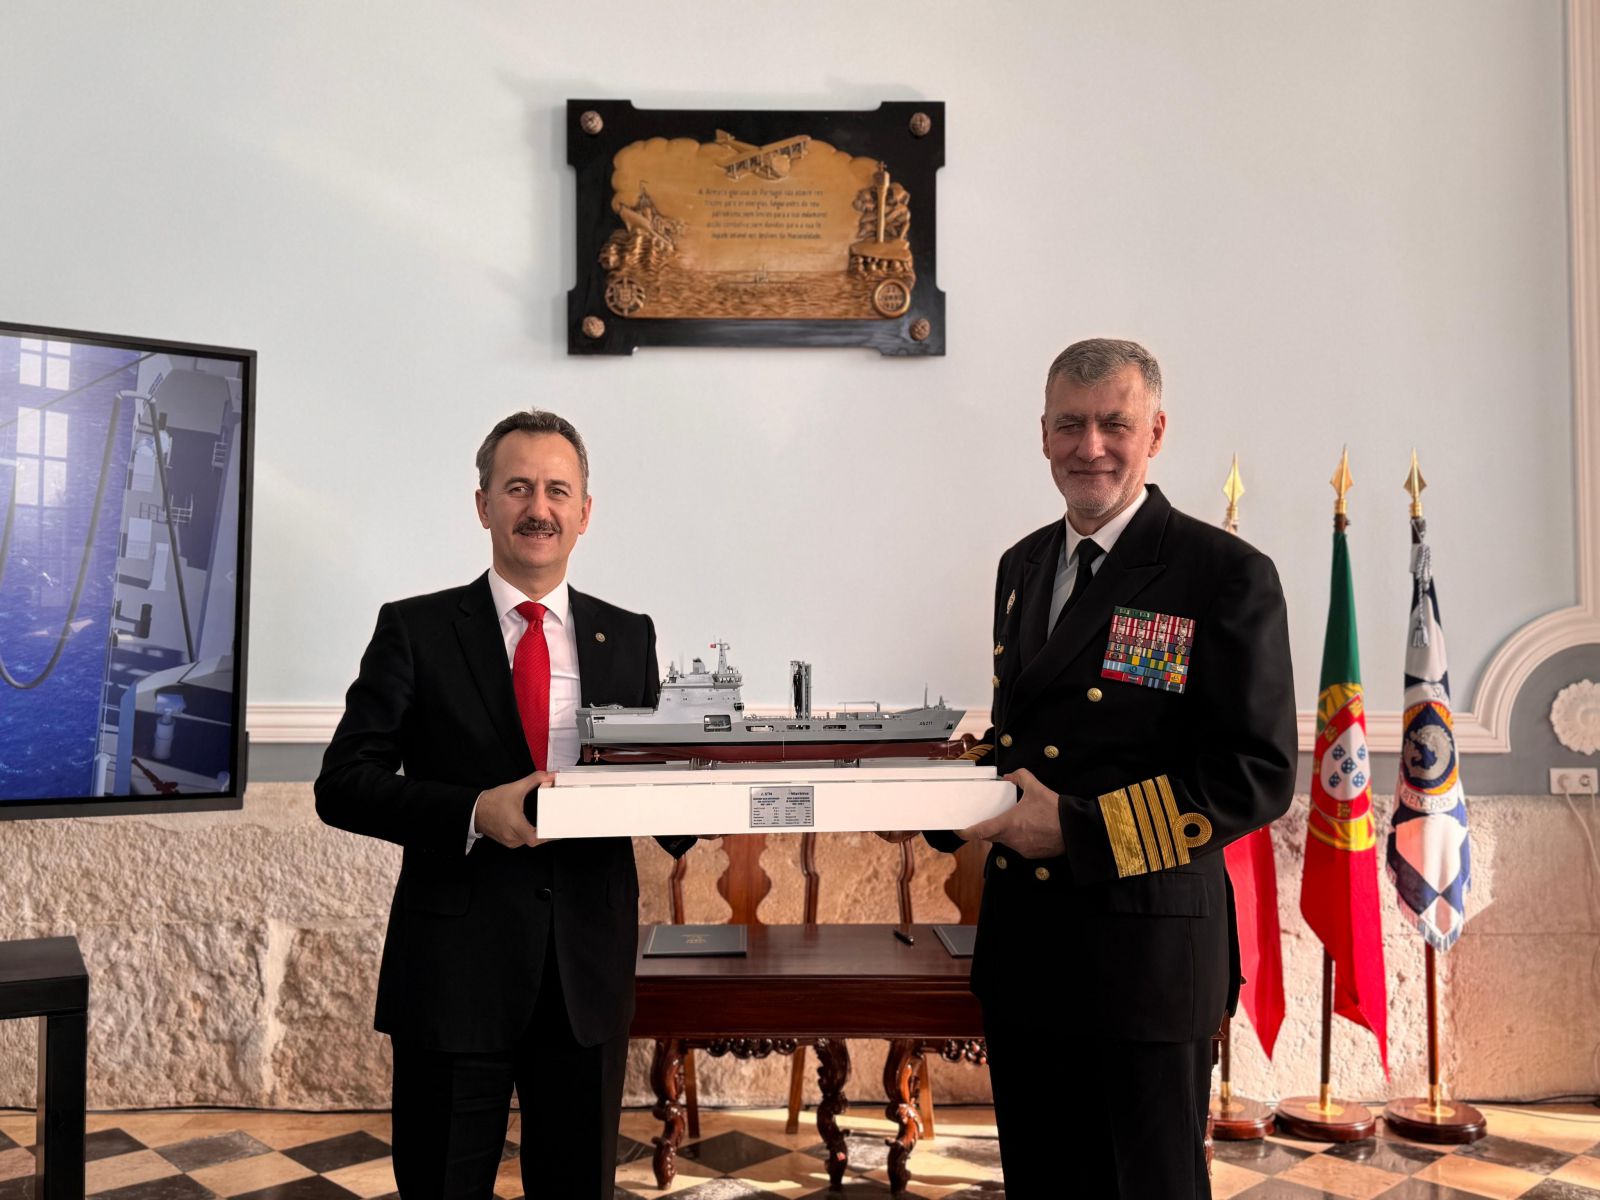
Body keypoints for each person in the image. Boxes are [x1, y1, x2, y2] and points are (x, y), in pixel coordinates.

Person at [892, 339, 1296, 1196]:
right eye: (1070, 425)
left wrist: (1078, 830)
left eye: (1115, 423)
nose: (1091, 447)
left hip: (1146, 958)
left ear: (1157, 432)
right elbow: (1026, 743)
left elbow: (1254, 774)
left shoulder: (1222, 574)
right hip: (1028, 952)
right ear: (1042, 433)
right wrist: (937, 797)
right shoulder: (1023, 565)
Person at [315, 410, 693, 1198]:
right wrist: (473, 811)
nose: (538, 508)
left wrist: (720, 785)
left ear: (585, 512)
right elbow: (343, 783)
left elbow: (662, 801)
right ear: (483, 504)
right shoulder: (414, 630)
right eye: (518, 487)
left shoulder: (628, 638)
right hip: (452, 978)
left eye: (558, 490)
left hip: (585, 979)